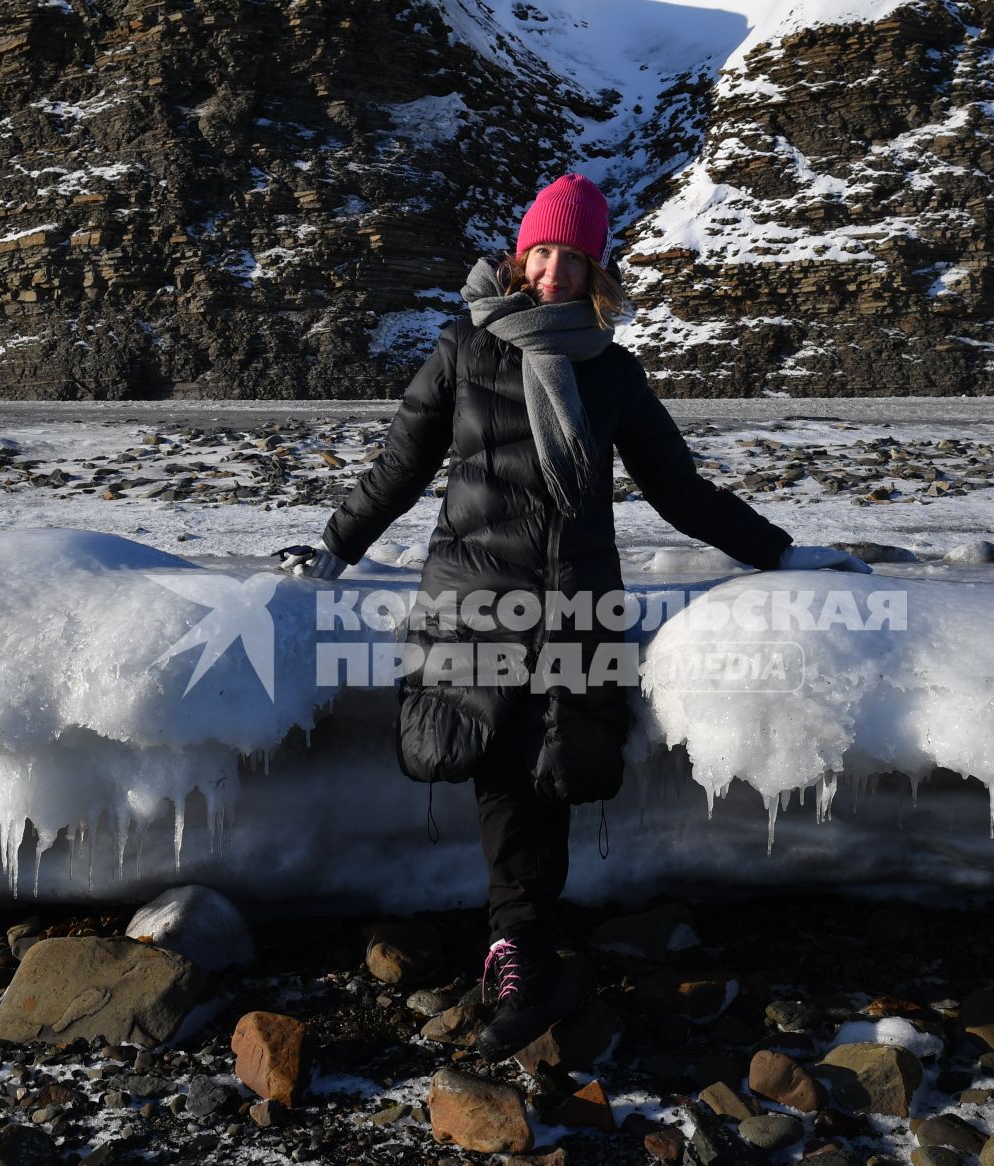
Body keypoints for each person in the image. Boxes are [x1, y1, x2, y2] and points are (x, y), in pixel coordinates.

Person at [280, 173, 865, 1060]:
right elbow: (399, 467)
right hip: (474, 597)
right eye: (543, 251)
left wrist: (780, 553)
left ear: (596, 268)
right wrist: (334, 547)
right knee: (493, 763)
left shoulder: (610, 369)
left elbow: (677, 488)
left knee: (555, 768)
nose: (554, 270)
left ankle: (525, 947)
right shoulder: (464, 348)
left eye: (573, 256)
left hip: (574, 600)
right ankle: (521, 946)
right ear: (522, 256)